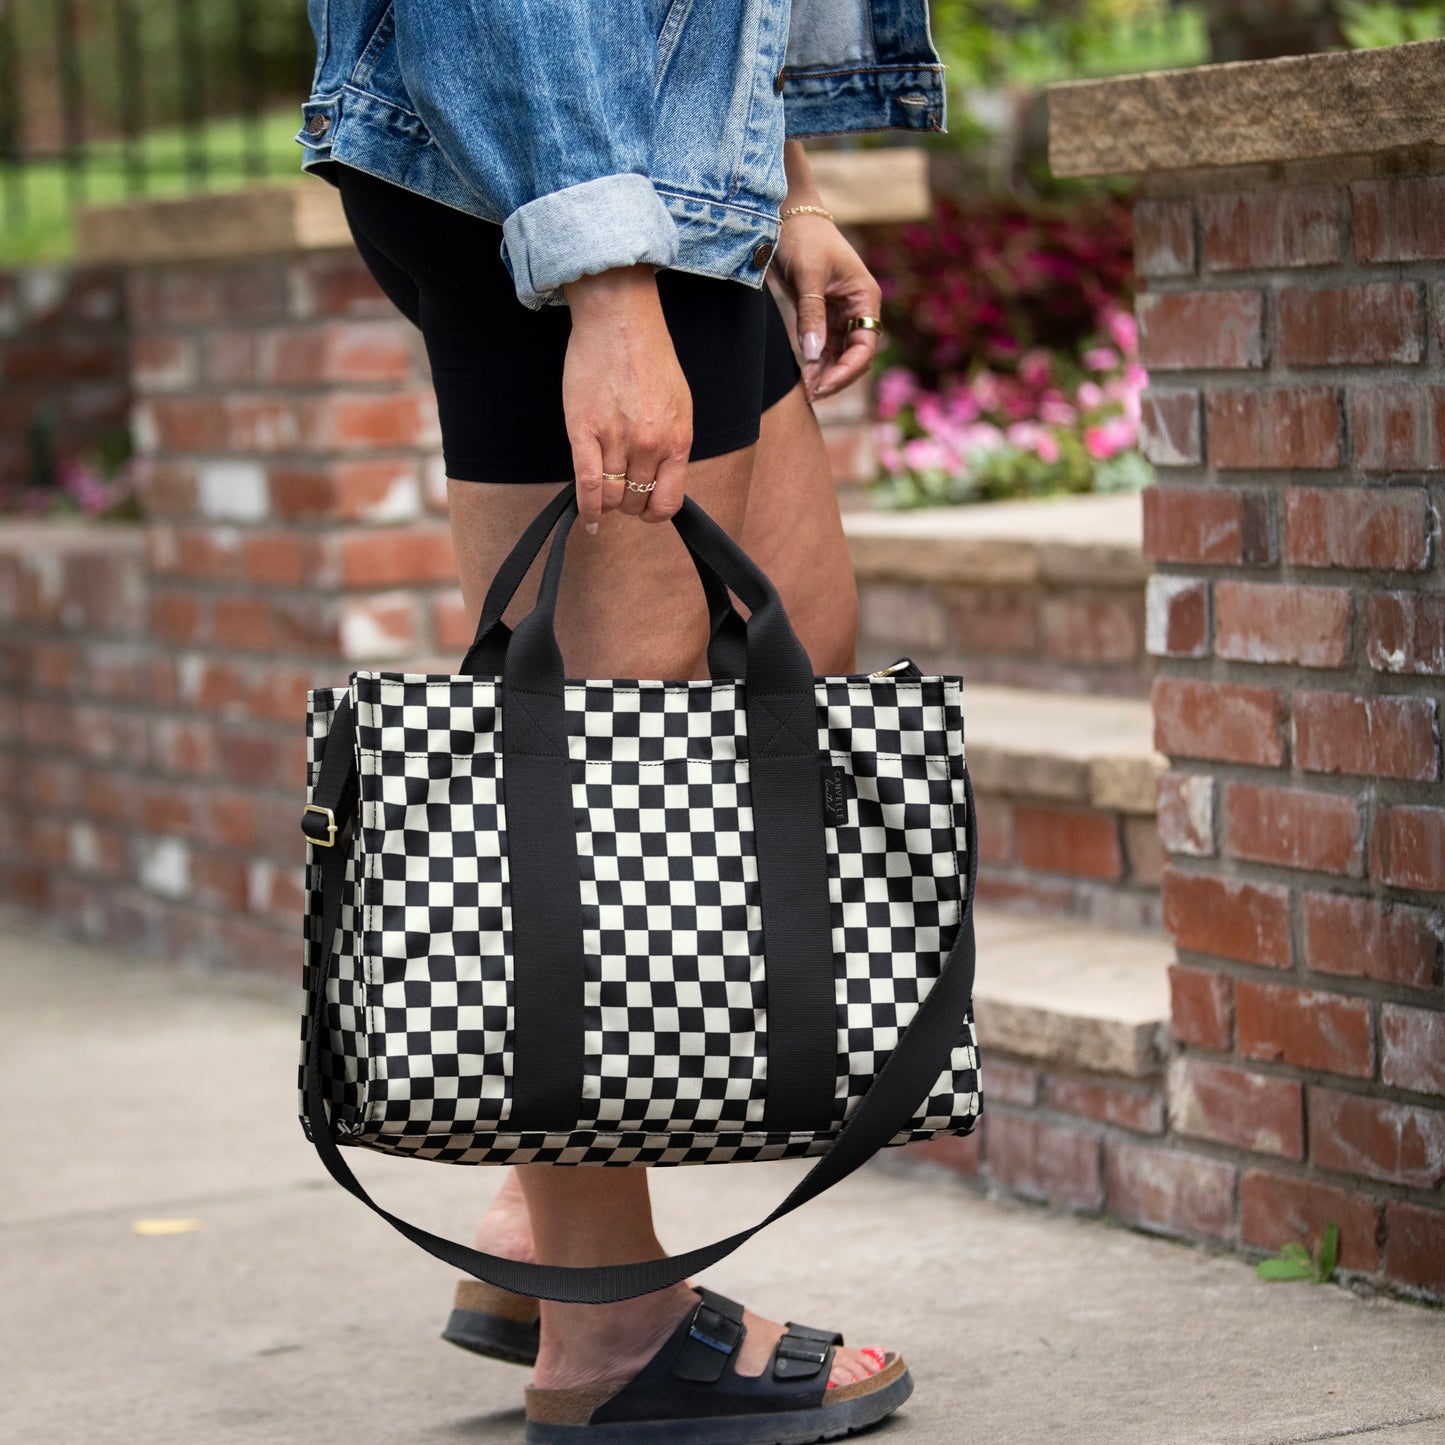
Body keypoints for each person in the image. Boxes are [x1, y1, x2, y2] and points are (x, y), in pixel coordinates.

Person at [296, 1, 949, 1438]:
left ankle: (547, 1223)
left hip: (665, 158)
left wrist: (779, 184)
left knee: (791, 656)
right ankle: (614, 1334)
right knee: (597, 757)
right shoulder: (591, 230)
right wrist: (604, 282)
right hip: (560, 173)